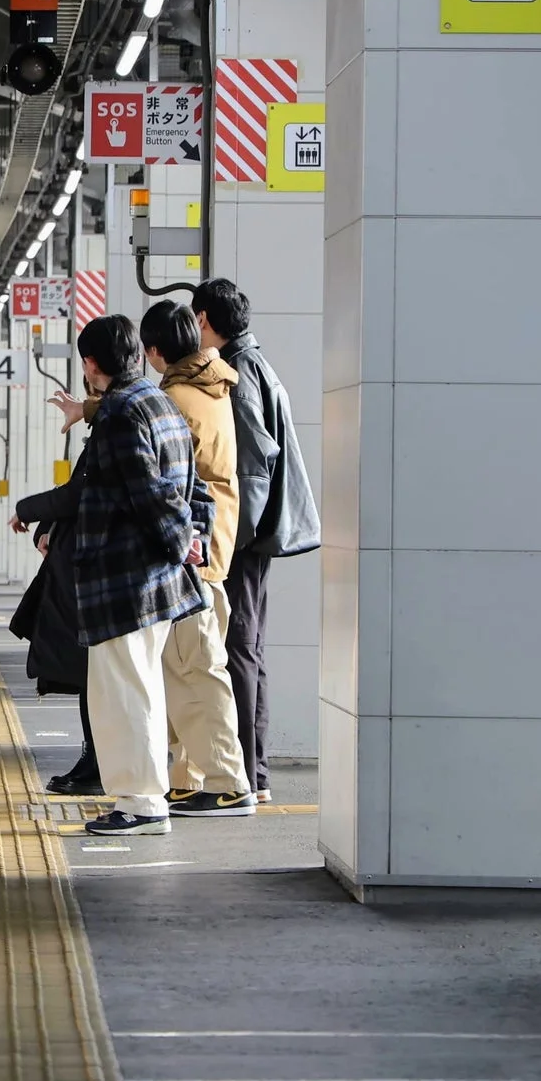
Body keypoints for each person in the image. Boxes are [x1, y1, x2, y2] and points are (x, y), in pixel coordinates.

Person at [69, 315, 207, 836]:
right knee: (141, 687)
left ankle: (142, 803)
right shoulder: (160, 401)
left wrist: (179, 541)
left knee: (124, 695)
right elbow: (195, 486)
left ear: (91, 363)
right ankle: (145, 798)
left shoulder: (120, 412)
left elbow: (148, 492)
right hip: (155, 580)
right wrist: (194, 538)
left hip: (124, 582)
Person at [188, 279, 320, 802]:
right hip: (256, 533)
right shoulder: (253, 363)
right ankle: (253, 771)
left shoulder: (238, 373)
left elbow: (250, 469)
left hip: (244, 537)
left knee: (239, 648)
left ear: (203, 320)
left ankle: (246, 773)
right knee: (249, 648)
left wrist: (229, 542)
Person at [140, 300, 254, 817]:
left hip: (191, 556)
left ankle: (229, 782)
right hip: (212, 551)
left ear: (155, 351)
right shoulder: (214, 389)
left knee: (197, 669)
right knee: (185, 670)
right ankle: (188, 779)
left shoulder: (177, 399)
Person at [10, 442, 100, 795]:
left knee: (102, 677)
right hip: (88, 577)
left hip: (106, 578)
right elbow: (78, 491)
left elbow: (82, 492)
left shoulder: (122, 423)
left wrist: (28, 510)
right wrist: (49, 525)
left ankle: (104, 768)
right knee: (91, 675)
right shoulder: (108, 427)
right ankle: (96, 762)